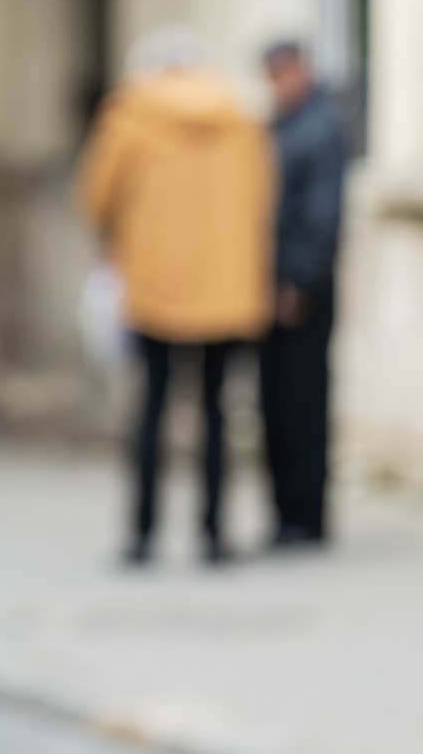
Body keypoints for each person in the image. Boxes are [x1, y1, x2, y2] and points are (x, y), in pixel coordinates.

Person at [78, 29, 274, 567]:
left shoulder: (130, 116)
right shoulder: (240, 119)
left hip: (154, 286)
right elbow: (263, 197)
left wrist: (120, 240)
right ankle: (213, 536)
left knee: (152, 412)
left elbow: (96, 196)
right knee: (216, 413)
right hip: (226, 291)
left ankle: (143, 535)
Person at [259, 40, 347, 550]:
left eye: (282, 74)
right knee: (276, 402)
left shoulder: (320, 127)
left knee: (303, 401)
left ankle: (305, 516)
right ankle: (286, 513)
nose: (277, 85)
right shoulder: (281, 124)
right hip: (274, 283)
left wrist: (299, 280)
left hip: (302, 288)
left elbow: (320, 214)